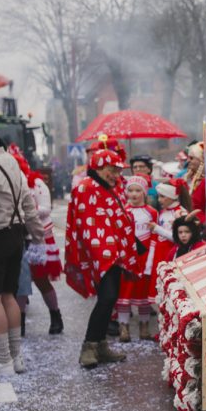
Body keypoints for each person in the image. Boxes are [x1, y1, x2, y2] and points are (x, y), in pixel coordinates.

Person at [65, 148, 137, 368]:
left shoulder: (107, 188)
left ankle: (101, 345)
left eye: (117, 170)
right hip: (101, 256)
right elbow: (88, 226)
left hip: (114, 254)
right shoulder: (86, 187)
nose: (116, 175)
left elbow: (116, 218)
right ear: (98, 167)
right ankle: (89, 346)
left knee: (110, 298)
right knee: (106, 298)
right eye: (112, 170)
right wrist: (105, 254)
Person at [0, 136, 46, 377]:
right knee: (9, 295)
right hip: (16, 234)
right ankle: (16, 358)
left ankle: (2, 361)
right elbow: (27, 202)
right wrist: (37, 234)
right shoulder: (12, 163)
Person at [10, 147, 63, 335]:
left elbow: (46, 209)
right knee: (19, 283)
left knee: (41, 280)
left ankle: (55, 315)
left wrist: (26, 210)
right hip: (17, 237)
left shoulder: (36, 183)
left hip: (38, 238)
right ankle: (20, 322)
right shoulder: (8, 184)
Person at [115, 176, 159, 342]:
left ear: (144, 192)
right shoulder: (122, 212)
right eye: (130, 190)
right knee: (124, 294)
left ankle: (144, 327)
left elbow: (155, 236)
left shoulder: (152, 212)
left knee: (143, 295)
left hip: (144, 259)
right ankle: (124, 327)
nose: (134, 194)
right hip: (127, 260)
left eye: (138, 190)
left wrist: (151, 261)